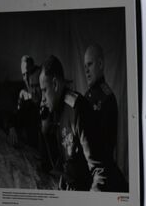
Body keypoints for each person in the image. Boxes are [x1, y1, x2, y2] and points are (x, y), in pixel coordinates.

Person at [39, 55, 107, 191]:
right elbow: (58, 162)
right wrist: (45, 128)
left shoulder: (77, 109)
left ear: (55, 84)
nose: (42, 99)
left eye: (44, 91)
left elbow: (99, 169)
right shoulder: (55, 111)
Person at [82, 44, 128, 192]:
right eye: (84, 66)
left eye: (90, 64)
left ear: (100, 64)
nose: (86, 70)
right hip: (88, 167)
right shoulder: (86, 96)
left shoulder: (108, 99)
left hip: (102, 171)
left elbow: (105, 148)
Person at [7, 55, 42, 147]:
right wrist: (12, 127)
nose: (25, 78)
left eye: (28, 73)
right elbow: (14, 116)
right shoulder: (24, 98)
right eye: (23, 74)